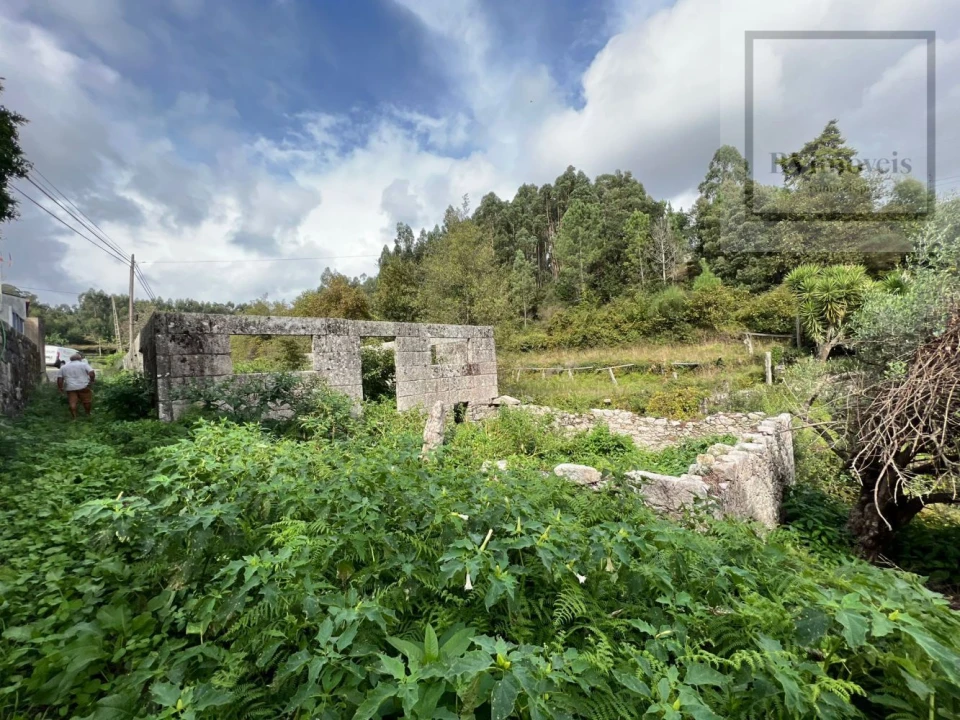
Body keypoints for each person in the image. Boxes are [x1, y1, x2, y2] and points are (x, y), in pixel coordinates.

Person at [57, 352, 96, 419]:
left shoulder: (64, 367)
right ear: (80, 359)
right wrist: (92, 380)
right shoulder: (84, 365)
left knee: (72, 402)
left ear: (70, 359)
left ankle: (74, 417)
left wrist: (60, 387)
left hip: (70, 387)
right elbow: (91, 373)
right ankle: (88, 414)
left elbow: (60, 379)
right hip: (83, 385)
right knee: (86, 401)